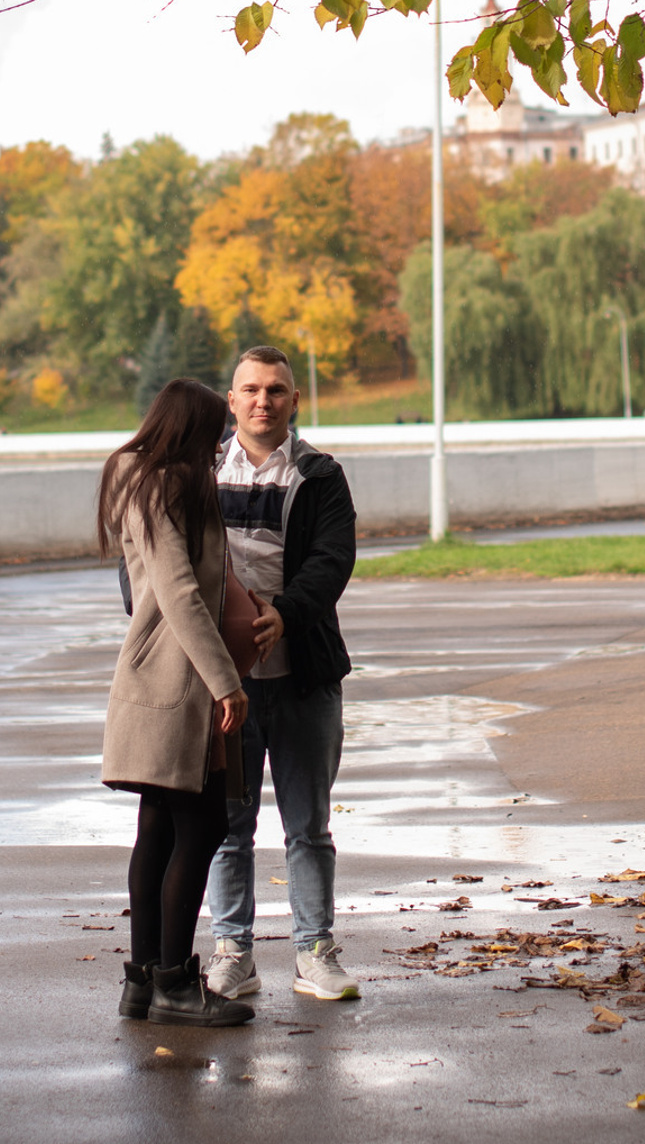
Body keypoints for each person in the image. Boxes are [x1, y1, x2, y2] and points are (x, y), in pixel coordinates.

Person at [99, 377, 258, 1028]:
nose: (218, 451)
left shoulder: (138, 478)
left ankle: (144, 980)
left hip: (160, 679)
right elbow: (180, 592)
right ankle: (173, 983)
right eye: (212, 438)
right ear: (185, 432)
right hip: (175, 679)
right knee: (200, 825)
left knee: (160, 827)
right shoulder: (161, 484)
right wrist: (227, 681)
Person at [204, 345, 359, 1002]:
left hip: (304, 677)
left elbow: (332, 562)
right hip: (223, 686)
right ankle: (232, 952)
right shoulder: (199, 472)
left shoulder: (320, 475)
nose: (262, 401)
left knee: (309, 825)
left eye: (275, 390)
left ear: (294, 401)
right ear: (231, 400)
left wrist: (285, 616)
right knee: (227, 828)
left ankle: (314, 951)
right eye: (250, 390)